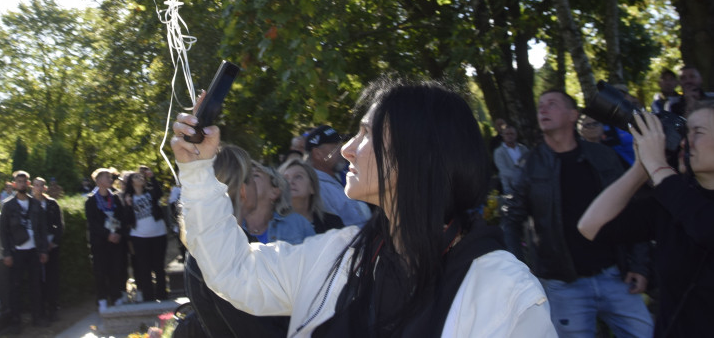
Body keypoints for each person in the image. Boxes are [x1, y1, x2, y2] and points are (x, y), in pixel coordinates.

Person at [174, 78, 553, 336]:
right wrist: (196, 169)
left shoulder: (506, 292)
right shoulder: (334, 256)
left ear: (416, 154)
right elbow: (232, 272)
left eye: (366, 134)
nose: (346, 149)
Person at [503, 89, 653, 337]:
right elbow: (511, 220)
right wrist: (521, 272)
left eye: (552, 104)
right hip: (563, 285)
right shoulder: (530, 165)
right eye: (540, 105)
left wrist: (640, 264)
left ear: (573, 115)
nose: (543, 109)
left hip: (615, 275)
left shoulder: (603, 156)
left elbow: (632, 209)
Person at [579, 100, 714, 337]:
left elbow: (713, 230)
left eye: (698, 132)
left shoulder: (679, 200)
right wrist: (641, 166)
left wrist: (658, 167)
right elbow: (591, 226)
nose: (685, 141)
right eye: (684, 132)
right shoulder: (671, 204)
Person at [182, 145, 288, 338]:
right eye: (253, 178)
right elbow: (256, 330)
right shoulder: (223, 251)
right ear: (243, 191)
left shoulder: (213, 245)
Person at [0, 171, 49, 332]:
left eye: (24, 182)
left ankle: (37, 317)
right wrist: (6, 253)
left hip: (34, 251)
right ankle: (15, 321)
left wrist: (43, 250)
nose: (21, 184)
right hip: (16, 252)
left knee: (36, 286)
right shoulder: (8, 205)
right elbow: (3, 231)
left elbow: (42, 228)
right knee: (15, 288)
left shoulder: (35, 204)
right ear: (14, 184)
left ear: (28, 184)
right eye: (18, 181)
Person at [305, 125, 370, 227]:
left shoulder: (336, 177)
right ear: (317, 154)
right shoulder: (316, 187)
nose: (342, 150)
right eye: (335, 147)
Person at [85, 168, 129, 312]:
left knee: (115, 269)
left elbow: (122, 218)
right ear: (98, 181)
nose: (110, 180)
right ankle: (102, 299)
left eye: (110, 177)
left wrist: (117, 234)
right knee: (100, 271)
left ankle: (116, 296)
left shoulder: (115, 198)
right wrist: (106, 234)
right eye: (106, 177)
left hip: (115, 242)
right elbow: (92, 223)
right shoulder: (91, 200)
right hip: (100, 242)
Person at [122, 171, 168, 302]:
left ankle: (162, 294)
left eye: (141, 176)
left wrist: (152, 177)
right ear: (131, 182)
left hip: (158, 233)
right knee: (144, 267)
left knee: (159, 266)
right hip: (140, 236)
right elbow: (126, 219)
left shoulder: (150, 192)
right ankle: (149, 296)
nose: (140, 178)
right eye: (137, 177)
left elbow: (159, 193)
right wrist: (128, 205)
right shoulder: (128, 198)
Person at [242, 163, 315, 244]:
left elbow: (317, 255)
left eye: (256, 175)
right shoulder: (230, 223)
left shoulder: (298, 224)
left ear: (274, 192)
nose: (246, 180)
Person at [280, 157, 344, 234]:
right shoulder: (271, 226)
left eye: (298, 177)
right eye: (285, 178)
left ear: (312, 187)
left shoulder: (332, 223)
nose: (290, 182)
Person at [32, 177, 63, 319]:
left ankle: (53, 307)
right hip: (36, 245)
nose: (38, 188)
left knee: (52, 276)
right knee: (39, 278)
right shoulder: (30, 204)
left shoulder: (51, 203)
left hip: (51, 243)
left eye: (41, 186)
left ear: (45, 188)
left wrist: (53, 241)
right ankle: (41, 308)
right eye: (36, 185)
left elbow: (59, 224)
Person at [493, 125, 530, 196]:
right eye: (507, 134)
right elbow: (503, 171)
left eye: (512, 134)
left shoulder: (523, 149)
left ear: (516, 135)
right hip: (510, 188)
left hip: (527, 186)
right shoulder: (499, 152)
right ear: (503, 135)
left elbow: (529, 164)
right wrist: (521, 176)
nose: (509, 136)